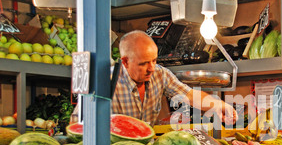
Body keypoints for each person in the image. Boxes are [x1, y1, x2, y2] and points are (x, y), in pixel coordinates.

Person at [71, 30, 237, 126]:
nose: (151, 68)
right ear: (125, 62)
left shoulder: (160, 74)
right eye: (143, 63)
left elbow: (189, 95)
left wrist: (217, 104)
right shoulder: (105, 81)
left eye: (154, 60)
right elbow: (77, 121)